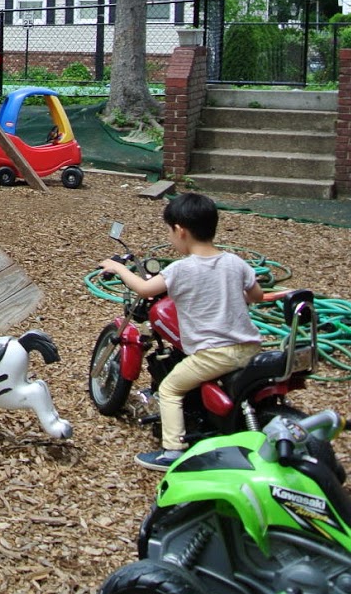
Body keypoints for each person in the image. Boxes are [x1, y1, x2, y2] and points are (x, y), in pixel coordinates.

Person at [99, 192, 264, 470]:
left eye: (169, 231)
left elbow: (143, 288)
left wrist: (117, 268)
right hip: (249, 348)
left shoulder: (181, 270)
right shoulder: (235, 262)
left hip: (214, 354)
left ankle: (172, 450)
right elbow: (256, 295)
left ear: (180, 230)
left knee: (170, 389)